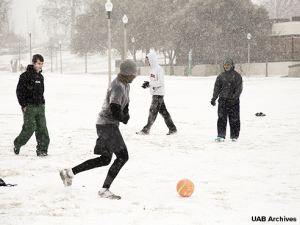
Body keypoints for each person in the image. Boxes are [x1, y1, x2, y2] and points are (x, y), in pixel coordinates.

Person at [59, 59, 138, 200]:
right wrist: (123, 117)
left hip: (107, 125)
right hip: (106, 125)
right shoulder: (117, 86)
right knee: (123, 156)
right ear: (128, 73)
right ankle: (104, 190)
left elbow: (125, 104)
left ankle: (69, 173)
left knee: (105, 159)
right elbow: (114, 108)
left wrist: (126, 115)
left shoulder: (126, 85)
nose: (136, 75)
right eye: (134, 72)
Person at [13, 54, 50, 156]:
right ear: (33, 63)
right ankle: (18, 143)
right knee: (30, 128)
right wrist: (23, 104)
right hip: (29, 106)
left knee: (42, 128)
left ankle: (42, 150)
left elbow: (41, 91)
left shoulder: (40, 77)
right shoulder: (25, 76)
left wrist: (42, 102)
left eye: (42, 64)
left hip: (40, 107)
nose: (40, 66)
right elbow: (19, 91)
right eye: (38, 63)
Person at [136, 52, 177, 135]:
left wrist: (150, 84)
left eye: (148, 59)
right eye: (147, 59)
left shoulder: (159, 69)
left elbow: (160, 82)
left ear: (152, 59)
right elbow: (154, 82)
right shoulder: (152, 69)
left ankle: (146, 130)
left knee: (152, 111)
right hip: (155, 93)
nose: (147, 61)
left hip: (159, 94)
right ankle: (173, 129)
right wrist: (148, 84)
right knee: (164, 112)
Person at [211, 59, 243, 142]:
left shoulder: (237, 76)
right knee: (221, 118)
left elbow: (239, 89)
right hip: (222, 100)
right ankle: (221, 135)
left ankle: (234, 136)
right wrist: (214, 98)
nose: (226, 67)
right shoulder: (220, 76)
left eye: (228, 65)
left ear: (231, 66)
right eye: (225, 65)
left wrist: (234, 98)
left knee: (234, 119)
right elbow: (217, 88)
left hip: (233, 101)